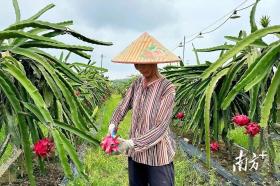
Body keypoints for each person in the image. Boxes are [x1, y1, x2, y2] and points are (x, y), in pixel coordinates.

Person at [108, 32, 180, 186]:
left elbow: (161, 127)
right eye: (137, 64)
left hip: (158, 157)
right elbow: (123, 106)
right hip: (136, 156)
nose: (140, 68)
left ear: (154, 62)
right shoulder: (137, 84)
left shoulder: (167, 88)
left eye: (144, 63)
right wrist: (113, 125)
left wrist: (130, 143)